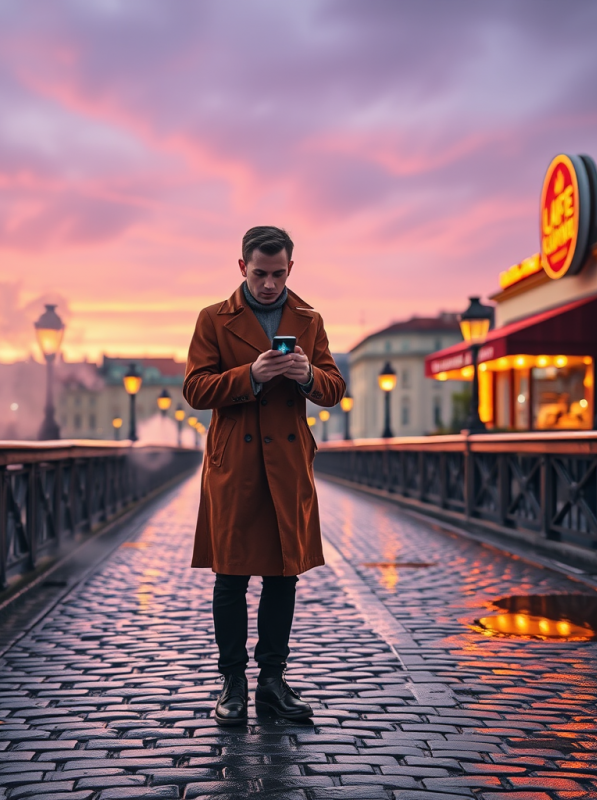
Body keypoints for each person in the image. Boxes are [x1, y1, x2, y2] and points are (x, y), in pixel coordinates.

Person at [182, 225, 346, 726]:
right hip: (236, 465)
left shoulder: (309, 319)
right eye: (260, 274)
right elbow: (194, 389)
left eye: (278, 274)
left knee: (283, 577)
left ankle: (272, 683)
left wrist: (308, 377)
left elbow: (334, 388)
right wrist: (251, 375)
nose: (270, 284)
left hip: (288, 465)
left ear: (290, 269)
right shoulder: (213, 318)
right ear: (242, 268)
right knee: (230, 578)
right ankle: (233, 683)